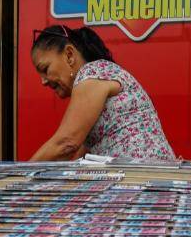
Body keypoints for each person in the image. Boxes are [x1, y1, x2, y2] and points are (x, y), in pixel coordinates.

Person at [28, 25, 176, 161]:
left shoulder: (92, 73)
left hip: (142, 176)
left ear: (69, 55)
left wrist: (21, 174)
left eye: (45, 69)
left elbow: (66, 143)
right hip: (145, 175)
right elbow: (79, 156)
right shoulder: (99, 75)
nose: (44, 81)